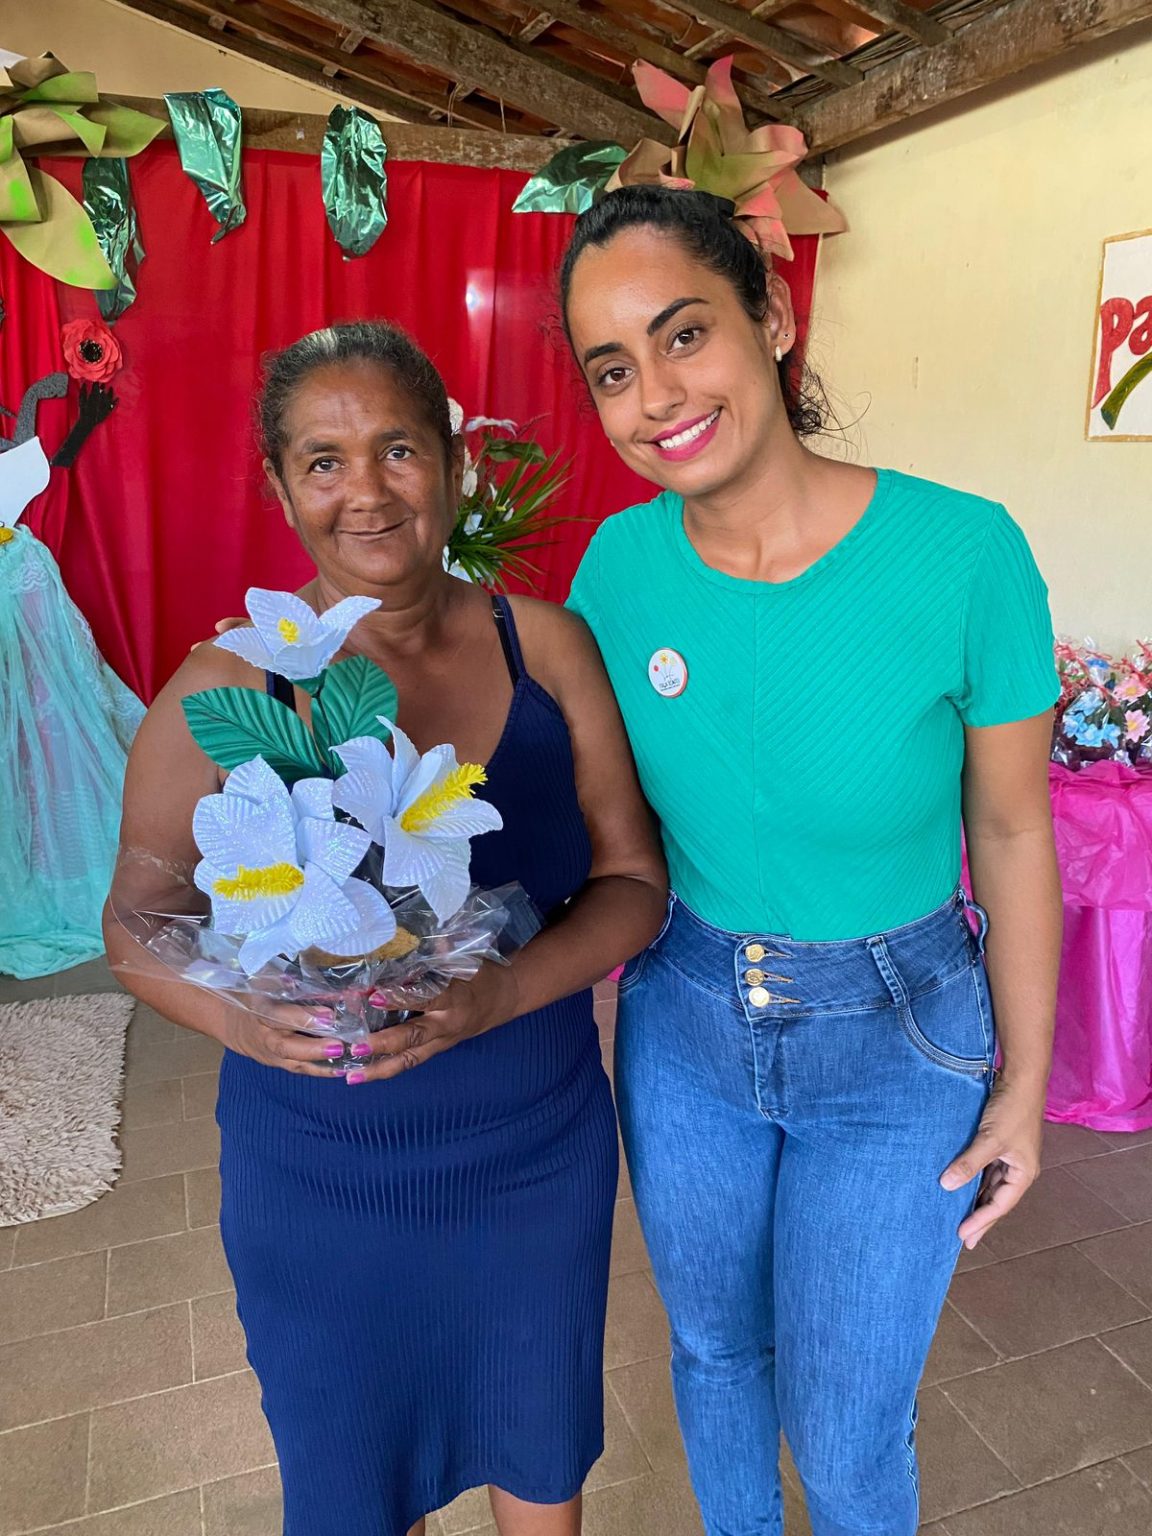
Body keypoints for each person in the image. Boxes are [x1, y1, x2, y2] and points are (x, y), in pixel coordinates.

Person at [104, 321, 667, 1536]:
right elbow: (137, 925)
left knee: (539, 1446)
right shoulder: (225, 692)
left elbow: (633, 881)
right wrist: (242, 1024)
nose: (366, 490)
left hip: (531, 1149)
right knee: (355, 1484)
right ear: (280, 487)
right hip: (321, 1166)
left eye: (399, 449)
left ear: (455, 464)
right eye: (324, 460)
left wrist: (501, 992)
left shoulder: (546, 648)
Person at [559, 186, 1062, 1536]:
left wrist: (1025, 1086)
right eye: (613, 369)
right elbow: (601, 820)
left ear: (772, 318)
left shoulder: (964, 554)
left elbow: (1015, 831)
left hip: (898, 1043)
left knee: (845, 1443)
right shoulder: (617, 569)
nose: (657, 396)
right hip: (684, 1022)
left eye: (684, 335)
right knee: (717, 1359)